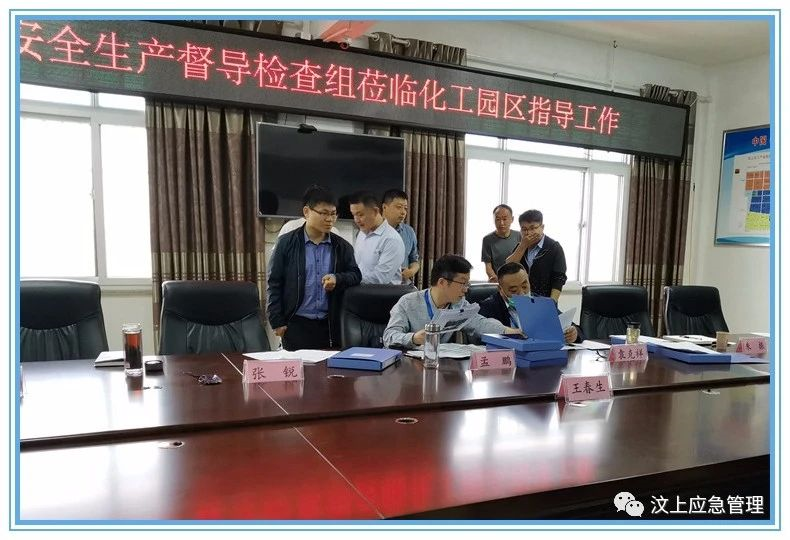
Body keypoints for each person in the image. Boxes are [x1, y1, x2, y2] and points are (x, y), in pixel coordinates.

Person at [267, 185, 361, 350]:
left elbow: (355, 275)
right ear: (306, 212)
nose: (330, 219)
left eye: (333, 214)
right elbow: (274, 282)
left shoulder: (342, 246)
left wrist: (338, 278)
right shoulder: (286, 243)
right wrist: (277, 320)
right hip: (296, 323)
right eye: (324, 213)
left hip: (330, 324)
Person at [383, 254, 521, 349]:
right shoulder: (408, 302)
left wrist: (510, 331)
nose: (466, 289)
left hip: (440, 366)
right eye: (462, 283)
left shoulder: (459, 304)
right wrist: (414, 338)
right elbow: (389, 336)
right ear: (442, 282)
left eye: (467, 284)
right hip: (408, 367)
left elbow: (480, 323)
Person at [478, 262, 581, 344]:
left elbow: (573, 327)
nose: (522, 293)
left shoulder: (542, 303)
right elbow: (479, 338)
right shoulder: (489, 307)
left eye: (524, 286)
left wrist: (574, 334)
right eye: (513, 290)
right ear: (500, 289)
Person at [505, 209, 567, 301]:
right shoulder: (521, 246)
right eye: (524, 229)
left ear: (542, 227)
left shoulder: (554, 247)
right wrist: (523, 246)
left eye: (533, 228)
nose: (528, 233)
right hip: (521, 299)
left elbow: (559, 278)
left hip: (544, 300)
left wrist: (552, 302)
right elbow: (507, 268)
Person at [349, 191, 405, 285]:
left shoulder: (391, 239)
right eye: (354, 215)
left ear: (375, 211)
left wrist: (349, 279)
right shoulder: (361, 233)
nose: (356, 220)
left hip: (381, 293)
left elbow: (380, 278)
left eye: (360, 215)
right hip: (359, 290)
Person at [381, 189, 420, 285]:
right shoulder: (372, 230)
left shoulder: (409, 232)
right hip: (378, 286)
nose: (403, 212)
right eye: (398, 207)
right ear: (384, 207)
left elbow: (414, 260)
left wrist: (411, 271)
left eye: (405, 208)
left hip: (403, 287)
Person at [481, 204, 521, 283]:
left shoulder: (519, 236)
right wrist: (496, 280)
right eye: (497, 219)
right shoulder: (487, 239)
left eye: (505, 219)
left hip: (518, 280)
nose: (501, 223)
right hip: (498, 281)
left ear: (512, 219)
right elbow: (488, 266)